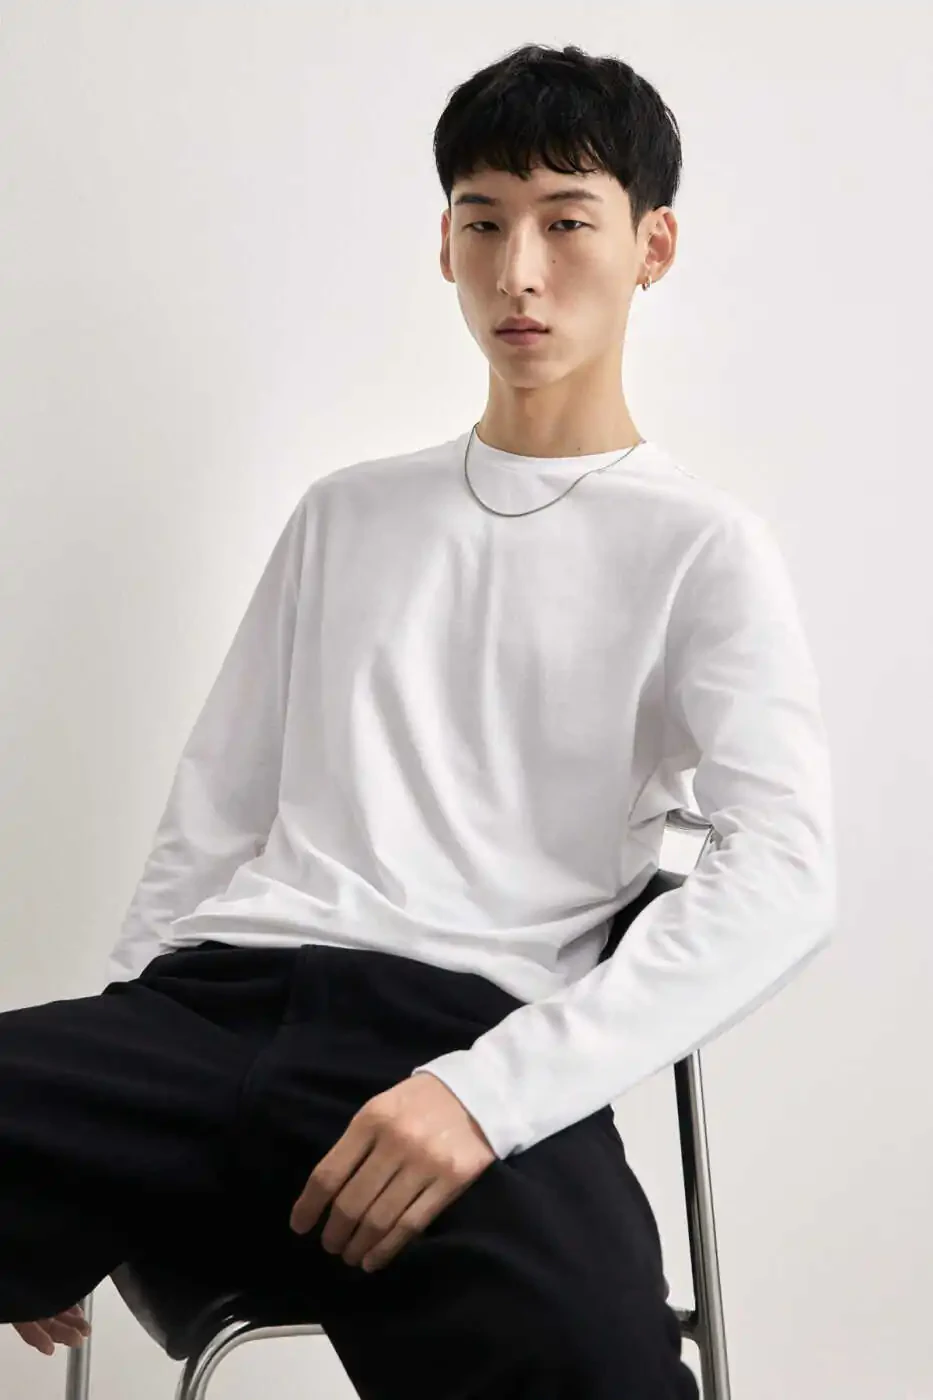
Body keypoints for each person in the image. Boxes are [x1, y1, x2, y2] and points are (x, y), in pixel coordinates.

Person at [1, 42, 836, 1399]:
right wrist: (87, 1145)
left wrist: (487, 1095)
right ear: (443, 243)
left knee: (606, 1372)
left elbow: (787, 876)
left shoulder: (700, 547)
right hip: (213, 1010)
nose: (519, 272)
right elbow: (209, 826)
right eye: (483, 223)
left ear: (654, 246)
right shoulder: (346, 514)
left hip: (464, 1034)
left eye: (567, 223)